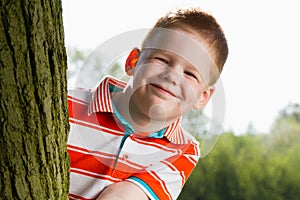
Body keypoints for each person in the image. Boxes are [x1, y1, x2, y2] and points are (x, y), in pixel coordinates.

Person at [67, 7, 228, 200]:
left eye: (190, 74)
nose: (172, 76)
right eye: (162, 59)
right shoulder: (67, 105)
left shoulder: (182, 150)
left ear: (203, 97)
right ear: (133, 62)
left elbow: (120, 198)